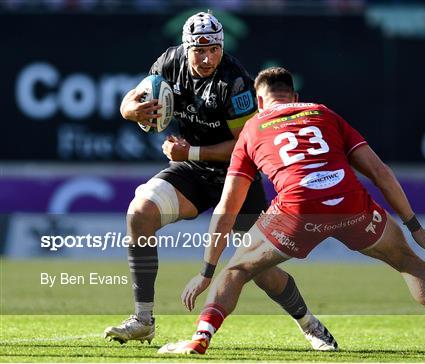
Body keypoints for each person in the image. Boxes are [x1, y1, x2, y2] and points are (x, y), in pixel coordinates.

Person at [157, 67, 425, 358]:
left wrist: (206, 271)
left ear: (259, 101)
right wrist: (415, 227)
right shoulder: (324, 114)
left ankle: (201, 337)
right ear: (295, 96)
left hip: (297, 209)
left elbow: (228, 207)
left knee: (238, 269)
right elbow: (379, 172)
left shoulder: (252, 130)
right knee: (409, 262)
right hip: (349, 201)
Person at [104, 13, 337, 352]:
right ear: (186, 48)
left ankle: (309, 324)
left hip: (236, 174)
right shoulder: (170, 63)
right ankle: (143, 320)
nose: (207, 57)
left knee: (260, 269)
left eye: (213, 49)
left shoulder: (235, 80)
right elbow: (132, 98)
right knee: (139, 213)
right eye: (199, 50)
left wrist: (192, 151)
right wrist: (131, 112)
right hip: (192, 171)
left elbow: (245, 143)